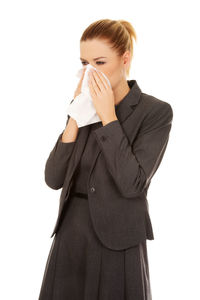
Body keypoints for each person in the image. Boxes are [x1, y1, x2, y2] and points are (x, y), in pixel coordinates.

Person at [38, 18, 173, 300]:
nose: (90, 73)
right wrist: (75, 117)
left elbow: (132, 184)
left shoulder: (155, 112)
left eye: (99, 63)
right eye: (84, 64)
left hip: (118, 239)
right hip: (71, 235)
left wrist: (109, 117)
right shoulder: (83, 107)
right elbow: (53, 179)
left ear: (125, 59)